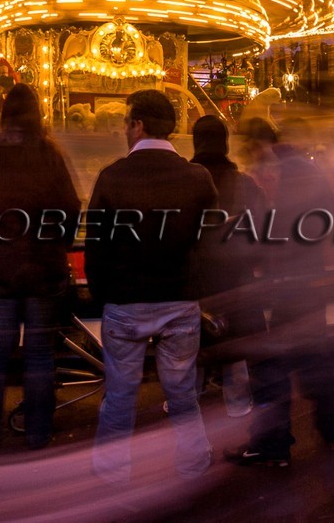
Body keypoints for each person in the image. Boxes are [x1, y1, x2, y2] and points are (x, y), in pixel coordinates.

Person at [86, 88, 216, 483]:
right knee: (181, 394)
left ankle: (112, 471)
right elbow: (210, 241)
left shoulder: (112, 176)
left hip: (126, 301)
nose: (125, 130)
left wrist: (102, 294)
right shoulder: (198, 177)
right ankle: (193, 463)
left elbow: (96, 247)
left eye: (127, 122)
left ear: (138, 124)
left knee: (121, 395)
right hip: (179, 300)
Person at [224, 120, 334, 468]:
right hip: (302, 280)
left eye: (248, 145)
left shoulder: (287, 172)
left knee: (273, 365)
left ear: (260, 143)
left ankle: (274, 442)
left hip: (293, 282)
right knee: (313, 360)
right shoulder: (293, 168)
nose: (247, 153)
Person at [0, 83, 80, 450]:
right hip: (44, 269)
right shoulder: (50, 155)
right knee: (40, 353)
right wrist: (59, 244)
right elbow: (72, 208)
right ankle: (38, 432)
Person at [189, 114, 267, 419]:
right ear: (224, 143)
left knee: (192, 351)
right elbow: (262, 230)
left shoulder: (187, 180)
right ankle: (239, 407)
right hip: (237, 280)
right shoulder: (244, 183)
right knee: (236, 351)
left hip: (196, 282)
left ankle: (188, 409)